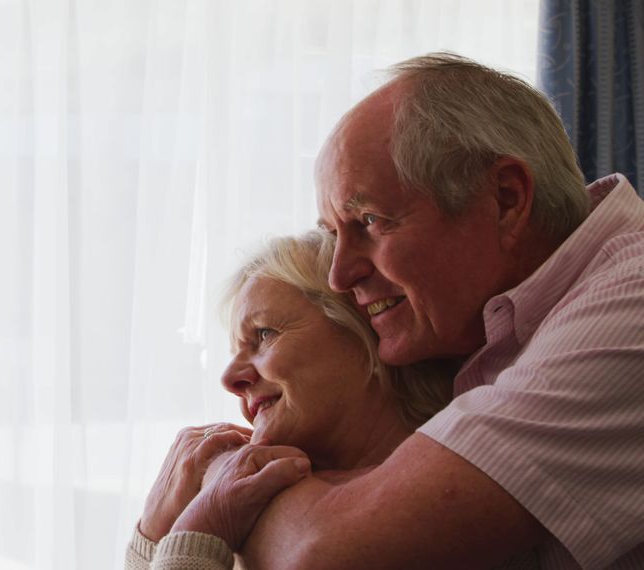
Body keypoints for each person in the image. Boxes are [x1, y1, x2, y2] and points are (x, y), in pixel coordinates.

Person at [164, 53, 644, 569]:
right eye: (333, 234)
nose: (339, 275)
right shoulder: (496, 320)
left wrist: (217, 487)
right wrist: (161, 529)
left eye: (370, 221)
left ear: (506, 198)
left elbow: (323, 552)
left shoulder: (626, 304)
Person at [126, 231, 460, 569]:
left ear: (368, 338)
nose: (229, 379)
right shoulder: (252, 494)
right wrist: (150, 536)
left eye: (264, 334)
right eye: (235, 350)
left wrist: (198, 529)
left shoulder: (441, 512)